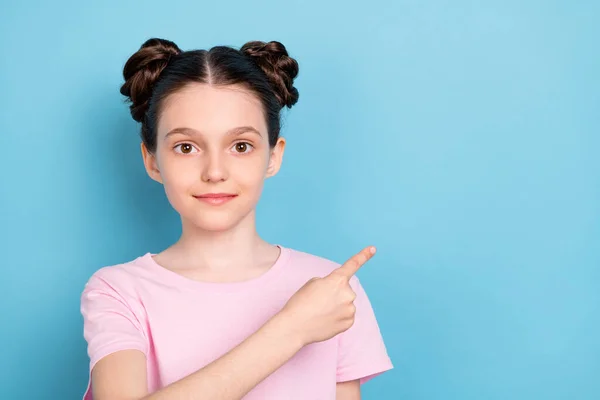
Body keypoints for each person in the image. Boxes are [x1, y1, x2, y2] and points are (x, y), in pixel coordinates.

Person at [80, 37, 393, 400]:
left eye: (241, 146)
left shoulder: (333, 290)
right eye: (186, 147)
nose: (215, 171)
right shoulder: (119, 292)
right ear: (152, 160)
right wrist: (292, 329)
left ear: (274, 156)